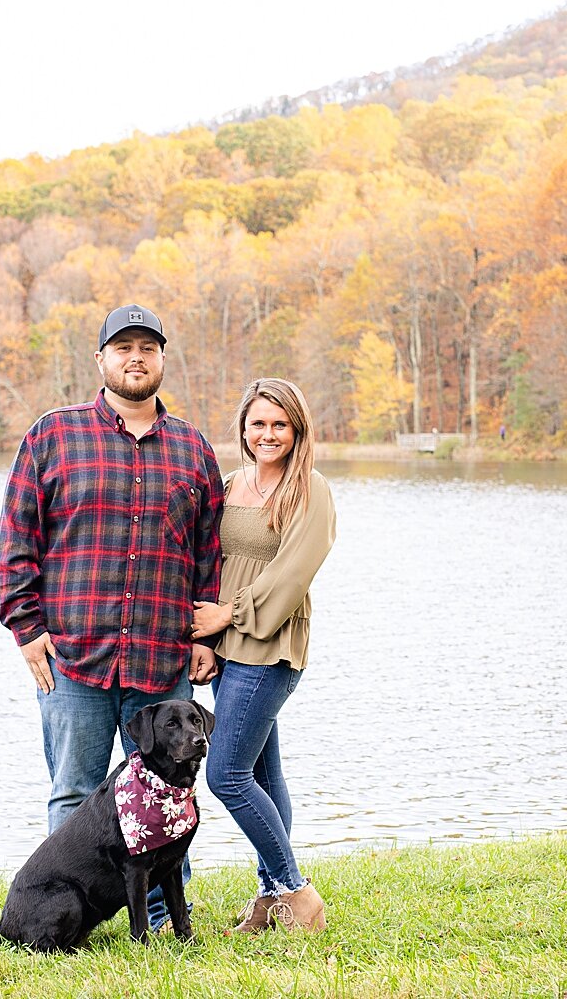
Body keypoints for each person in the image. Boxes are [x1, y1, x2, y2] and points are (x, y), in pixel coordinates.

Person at [0, 303, 225, 928]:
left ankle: (158, 914)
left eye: (147, 347)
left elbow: (210, 551)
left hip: (162, 654)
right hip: (74, 655)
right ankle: (68, 916)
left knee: (170, 794)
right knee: (75, 791)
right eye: (122, 347)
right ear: (101, 360)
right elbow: (18, 536)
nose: (135, 357)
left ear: (162, 360)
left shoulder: (195, 451)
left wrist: (210, 638)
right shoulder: (53, 435)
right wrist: (26, 626)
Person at [190, 377, 337, 933]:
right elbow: (211, 562)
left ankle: (297, 894)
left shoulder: (311, 491)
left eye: (280, 424)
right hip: (227, 648)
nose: (268, 434)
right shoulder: (230, 484)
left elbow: (293, 572)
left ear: (296, 430)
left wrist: (227, 617)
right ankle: (269, 897)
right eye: (258, 423)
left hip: (268, 644)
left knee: (225, 774)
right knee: (263, 775)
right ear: (243, 429)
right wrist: (205, 640)